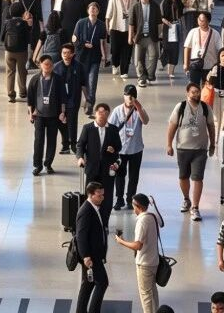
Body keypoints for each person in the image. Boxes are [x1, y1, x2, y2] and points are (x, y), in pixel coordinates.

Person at [166, 81, 217, 222]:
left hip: (200, 149)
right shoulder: (181, 107)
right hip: (183, 148)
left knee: (198, 178)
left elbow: (211, 126)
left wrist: (213, 144)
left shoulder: (205, 108)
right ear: (187, 93)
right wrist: (169, 144)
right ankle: (186, 199)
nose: (196, 94)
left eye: (198, 92)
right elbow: (172, 125)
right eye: (193, 92)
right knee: (183, 177)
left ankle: (195, 207)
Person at [114, 194, 161, 313]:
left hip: (144, 264)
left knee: (145, 295)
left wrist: (121, 241)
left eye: (133, 205)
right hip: (154, 261)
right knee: (153, 292)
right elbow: (161, 223)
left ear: (138, 206)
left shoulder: (142, 221)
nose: (133, 208)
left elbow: (138, 246)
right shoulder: (152, 216)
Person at [77, 103, 122, 223]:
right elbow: (80, 145)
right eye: (99, 112)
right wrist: (80, 157)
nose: (102, 115)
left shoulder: (113, 129)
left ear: (108, 114)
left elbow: (119, 146)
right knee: (91, 195)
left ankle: (104, 222)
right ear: (95, 113)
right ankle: (89, 221)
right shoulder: (88, 128)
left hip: (107, 170)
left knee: (106, 197)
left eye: (105, 112)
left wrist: (114, 149)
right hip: (92, 169)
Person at [107, 85, 148, 209]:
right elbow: (110, 127)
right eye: (127, 96)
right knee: (120, 175)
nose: (129, 99)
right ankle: (119, 199)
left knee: (133, 176)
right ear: (124, 96)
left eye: (132, 96)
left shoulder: (139, 110)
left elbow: (146, 121)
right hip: (121, 150)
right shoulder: (118, 110)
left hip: (136, 149)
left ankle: (131, 199)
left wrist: (139, 107)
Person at [27, 54, 67, 175]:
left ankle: (48, 164)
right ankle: (37, 165)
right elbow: (30, 99)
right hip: (39, 115)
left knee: (51, 141)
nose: (48, 66)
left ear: (53, 66)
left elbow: (63, 98)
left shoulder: (58, 79)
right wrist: (30, 114)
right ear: (40, 65)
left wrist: (62, 112)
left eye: (50, 64)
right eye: (45, 64)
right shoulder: (35, 79)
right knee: (38, 141)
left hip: (53, 116)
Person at [75, 182, 110, 313]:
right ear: (90, 195)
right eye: (99, 195)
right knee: (102, 282)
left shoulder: (95, 208)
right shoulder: (86, 211)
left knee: (88, 284)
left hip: (95, 255)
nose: (102, 198)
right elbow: (81, 236)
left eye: (103, 195)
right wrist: (85, 256)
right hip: (91, 257)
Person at [129, 0, 163, 87]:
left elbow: (159, 23)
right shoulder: (135, 7)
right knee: (138, 58)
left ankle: (150, 75)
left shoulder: (155, 6)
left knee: (154, 56)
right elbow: (131, 23)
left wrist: (159, 34)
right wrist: (131, 37)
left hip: (151, 36)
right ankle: (141, 77)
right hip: (139, 36)